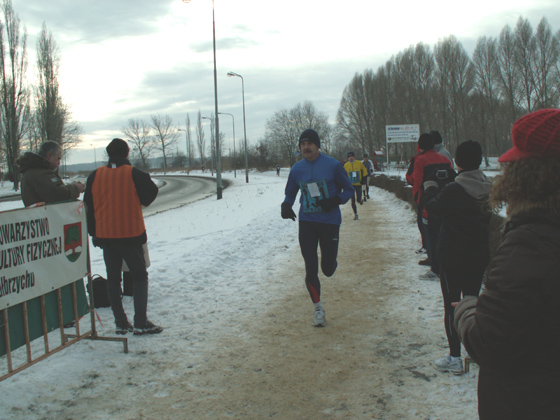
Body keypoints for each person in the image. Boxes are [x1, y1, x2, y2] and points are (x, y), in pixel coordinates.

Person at [454, 109, 560, 420]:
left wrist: (467, 309)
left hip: (528, 401)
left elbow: (489, 342)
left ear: (528, 176)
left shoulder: (532, 244)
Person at [423, 140, 492, 375]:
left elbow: (433, 207)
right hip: (478, 255)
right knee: (473, 303)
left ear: (457, 162)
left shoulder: (454, 189)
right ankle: (476, 352)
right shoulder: (487, 187)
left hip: (453, 256)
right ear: (480, 160)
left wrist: (431, 185)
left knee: (452, 305)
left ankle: (454, 358)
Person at [84, 138, 162, 336]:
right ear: (127, 153)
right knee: (139, 276)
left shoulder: (95, 176)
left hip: (105, 236)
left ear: (108, 154)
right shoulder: (134, 174)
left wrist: (94, 233)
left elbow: (88, 207)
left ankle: (120, 323)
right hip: (130, 234)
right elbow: (149, 196)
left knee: (113, 278)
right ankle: (140, 322)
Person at [282, 129, 354, 327]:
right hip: (307, 222)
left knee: (327, 269)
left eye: (309, 144)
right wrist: (286, 205)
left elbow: (349, 190)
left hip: (329, 222)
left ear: (317, 145)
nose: (306, 147)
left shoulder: (333, 165)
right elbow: (290, 192)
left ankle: (331, 263)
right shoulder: (297, 169)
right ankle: (318, 309)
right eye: (303, 144)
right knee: (310, 267)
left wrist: (335, 200)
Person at [411, 133, 455, 281]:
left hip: (428, 202)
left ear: (420, 146)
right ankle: (446, 266)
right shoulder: (444, 159)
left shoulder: (420, 160)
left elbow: (418, 181)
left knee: (431, 235)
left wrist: (417, 199)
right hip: (445, 200)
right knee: (444, 234)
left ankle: (435, 269)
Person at [17, 141, 85, 207]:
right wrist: (76, 188)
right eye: (58, 159)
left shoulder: (34, 171)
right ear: (49, 155)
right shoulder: (41, 174)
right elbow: (58, 195)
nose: (59, 163)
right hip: (46, 214)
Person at [343, 152, 368, 220]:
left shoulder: (359, 163)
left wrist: (364, 179)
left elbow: (364, 170)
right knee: (352, 200)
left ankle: (360, 200)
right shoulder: (346, 165)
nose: (351, 158)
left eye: (352, 157)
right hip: (350, 185)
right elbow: (343, 174)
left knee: (358, 199)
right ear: (348, 158)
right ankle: (355, 214)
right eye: (349, 157)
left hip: (358, 184)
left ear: (354, 157)